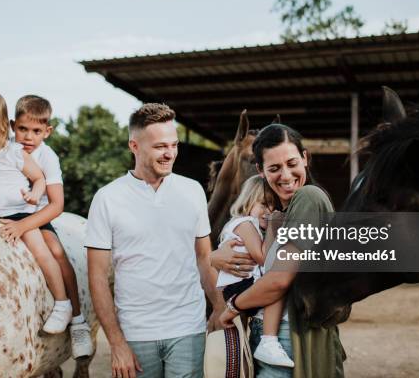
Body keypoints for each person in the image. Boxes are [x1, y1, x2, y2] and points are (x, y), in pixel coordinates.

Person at [86, 103, 224, 378]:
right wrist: (116, 343)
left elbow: (203, 257)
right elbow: (98, 277)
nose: (170, 153)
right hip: (135, 334)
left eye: (173, 145)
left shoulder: (193, 191)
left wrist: (219, 306)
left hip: (188, 329)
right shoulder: (107, 198)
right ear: (134, 146)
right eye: (160, 146)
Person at [212, 123, 346, 378]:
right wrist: (215, 257)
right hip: (272, 334)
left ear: (305, 158)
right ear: (260, 171)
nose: (285, 175)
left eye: (292, 163)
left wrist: (231, 308)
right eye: (274, 168)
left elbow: (278, 280)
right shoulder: (278, 216)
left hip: (292, 337)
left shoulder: (308, 198)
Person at [0, 90, 72, 335]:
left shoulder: (13, 151)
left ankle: (63, 304)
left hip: (21, 214)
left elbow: (39, 178)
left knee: (43, 251)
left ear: (2, 126)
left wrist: (35, 195)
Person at [0, 95, 94, 358]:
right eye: (23, 129)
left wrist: (24, 226)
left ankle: (77, 320)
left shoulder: (47, 157)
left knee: (58, 252)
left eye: (37, 131)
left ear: (47, 132)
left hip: (37, 217)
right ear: (11, 125)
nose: (29, 136)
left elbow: (56, 205)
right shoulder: (2, 148)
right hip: (3, 214)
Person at [216, 175, 294, 368]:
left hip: (244, 287)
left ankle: (268, 340)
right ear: (248, 201)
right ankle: (268, 341)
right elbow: (263, 257)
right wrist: (276, 227)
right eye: (264, 204)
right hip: (239, 287)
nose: (269, 211)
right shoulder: (244, 223)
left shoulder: (257, 228)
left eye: (273, 206)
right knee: (276, 284)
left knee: (275, 282)